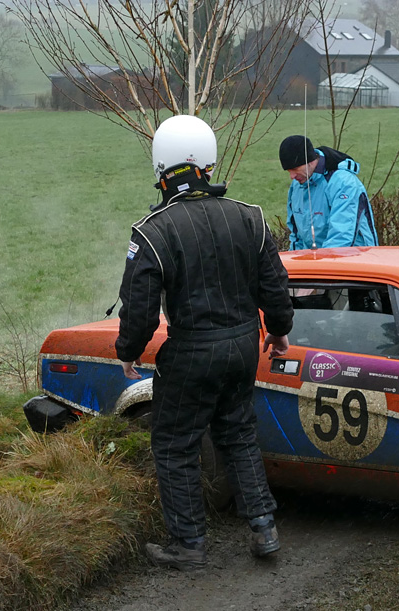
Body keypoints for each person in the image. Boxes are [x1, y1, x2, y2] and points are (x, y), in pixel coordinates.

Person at [115, 115, 294, 571]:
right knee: (238, 433)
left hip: (192, 351)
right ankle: (264, 528)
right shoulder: (250, 218)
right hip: (243, 346)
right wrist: (277, 329)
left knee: (174, 443)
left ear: (161, 168)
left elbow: (138, 308)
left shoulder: (152, 232)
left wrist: (128, 351)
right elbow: (275, 286)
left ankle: (188, 544)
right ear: (208, 165)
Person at [279, 135, 379, 250]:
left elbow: (341, 238)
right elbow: (297, 237)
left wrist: (321, 266)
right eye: (289, 171)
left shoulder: (344, 183)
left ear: (310, 162)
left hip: (355, 259)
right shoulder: (297, 185)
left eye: (295, 170)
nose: (292, 176)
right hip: (317, 262)